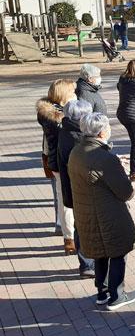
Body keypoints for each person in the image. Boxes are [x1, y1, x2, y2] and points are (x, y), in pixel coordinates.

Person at [68, 113, 135, 310]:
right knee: (118, 252)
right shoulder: (104, 158)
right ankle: (117, 296)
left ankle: (102, 291)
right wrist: (120, 169)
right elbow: (126, 192)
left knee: (100, 253)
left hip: (87, 213)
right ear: (101, 132)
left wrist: (114, 164)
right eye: (108, 127)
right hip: (108, 214)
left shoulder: (77, 152)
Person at [36, 78, 77, 253]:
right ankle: (69, 237)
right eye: (72, 91)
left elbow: (46, 142)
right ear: (64, 94)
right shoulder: (62, 118)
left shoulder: (47, 114)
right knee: (67, 201)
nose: (75, 94)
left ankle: (69, 236)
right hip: (66, 163)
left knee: (63, 199)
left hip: (55, 162)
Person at [57, 99, 95, 277]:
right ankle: (89, 263)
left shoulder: (64, 131)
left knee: (80, 226)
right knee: (87, 226)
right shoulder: (79, 136)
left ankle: (86, 263)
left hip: (70, 188)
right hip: (83, 189)